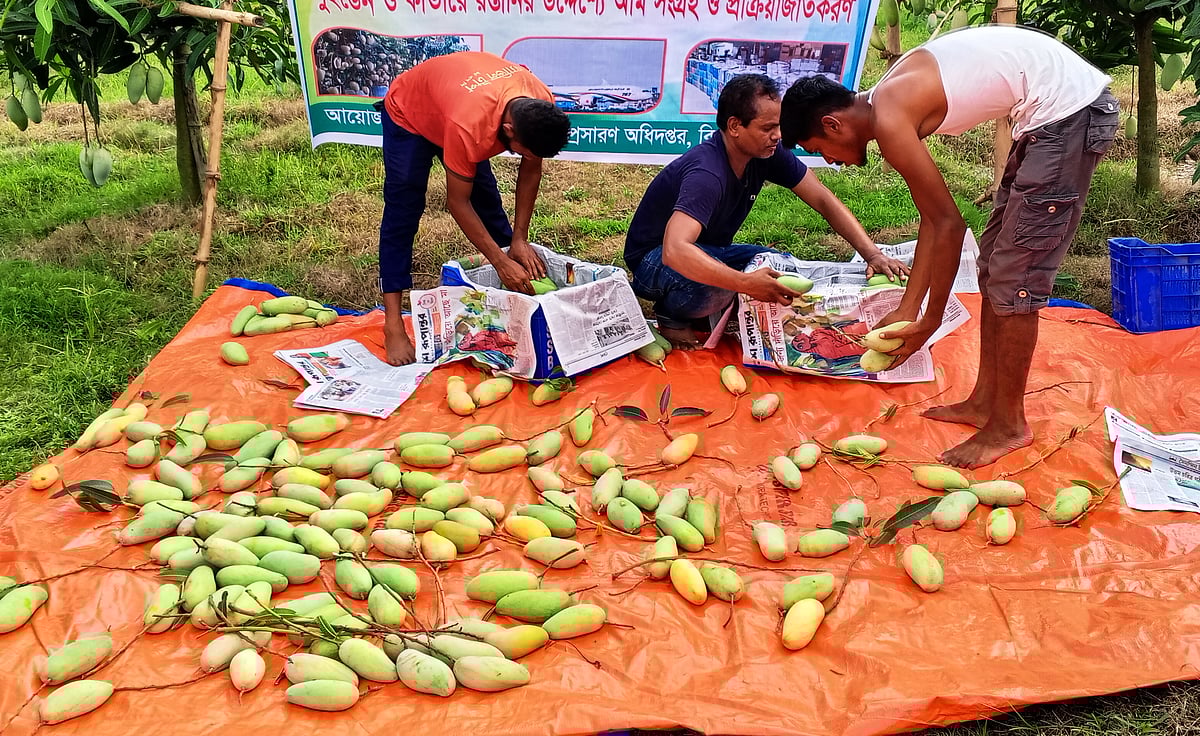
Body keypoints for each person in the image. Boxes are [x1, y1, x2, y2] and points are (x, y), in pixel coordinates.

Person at [779, 25, 1118, 469]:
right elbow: (933, 221)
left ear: (832, 123)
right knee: (995, 266)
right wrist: (910, 305)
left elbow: (948, 224)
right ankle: (984, 402)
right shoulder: (886, 98)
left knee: (1015, 280)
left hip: (1069, 116)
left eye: (818, 147)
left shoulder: (889, 116)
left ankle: (1009, 425)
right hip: (1047, 119)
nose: (827, 159)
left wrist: (928, 316)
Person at [624, 73, 907, 349]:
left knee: (776, 264)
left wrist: (873, 254)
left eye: (779, 125)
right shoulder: (707, 174)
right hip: (655, 260)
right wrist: (745, 283)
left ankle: (721, 300)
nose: (778, 136)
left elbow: (822, 199)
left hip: (707, 249)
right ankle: (672, 315)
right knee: (718, 289)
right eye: (768, 128)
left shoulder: (766, 154)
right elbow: (675, 250)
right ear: (735, 126)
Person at [377, 51, 571, 365]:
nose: (529, 156)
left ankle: (515, 303)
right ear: (509, 131)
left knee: (489, 205)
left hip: (454, 103)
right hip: (410, 112)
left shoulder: (539, 101)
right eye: (525, 150)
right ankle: (393, 324)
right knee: (404, 209)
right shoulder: (470, 126)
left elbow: (531, 167)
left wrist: (519, 239)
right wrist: (498, 260)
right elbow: (456, 202)